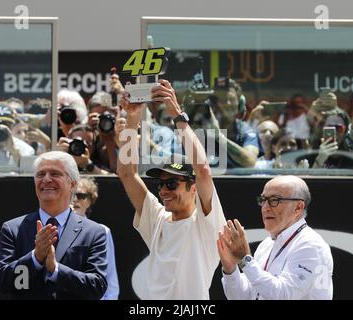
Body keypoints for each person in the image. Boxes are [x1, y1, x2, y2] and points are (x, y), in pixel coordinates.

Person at [117, 79, 226, 300]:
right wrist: (132, 119)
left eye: (172, 184)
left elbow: (203, 169)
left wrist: (177, 115)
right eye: (160, 184)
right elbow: (127, 174)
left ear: (193, 188)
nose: (164, 191)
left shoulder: (206, 223)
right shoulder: (157, 218)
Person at [0, 151, 108, 299]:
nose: (46, 179)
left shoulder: (93, 232)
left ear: (72, 184)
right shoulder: (13, 229)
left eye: (55, 174)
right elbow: (2, 283)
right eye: (40, 174)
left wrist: (56, 270)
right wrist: (35, 258)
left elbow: (97, 287)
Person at [218, 176, 333, 300]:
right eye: (263, 200)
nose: (265, 208)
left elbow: (284, 295)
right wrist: (230, 269)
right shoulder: (267, 244)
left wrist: (245, 260)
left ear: (298, 207)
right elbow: (243, 297)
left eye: (274, 200)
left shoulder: (311, 245)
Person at [72, 177, 119, 300]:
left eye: (81, 195)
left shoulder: (102, 231)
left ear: (89, 201)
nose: (75, 199)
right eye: (71, 194)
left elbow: (110, 277)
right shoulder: (53, 227)